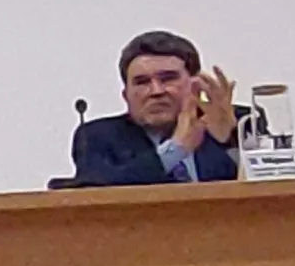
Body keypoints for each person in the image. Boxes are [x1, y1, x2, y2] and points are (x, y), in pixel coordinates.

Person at [68, 31, 240, 186]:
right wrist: (176, 149)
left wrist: (228, 140)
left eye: (168, 78)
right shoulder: (96, 137)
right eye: (142, 82)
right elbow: (96, 190)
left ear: (196, 85)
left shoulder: (241, 122)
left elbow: (263, 183)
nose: (156, 92)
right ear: (126, 95)